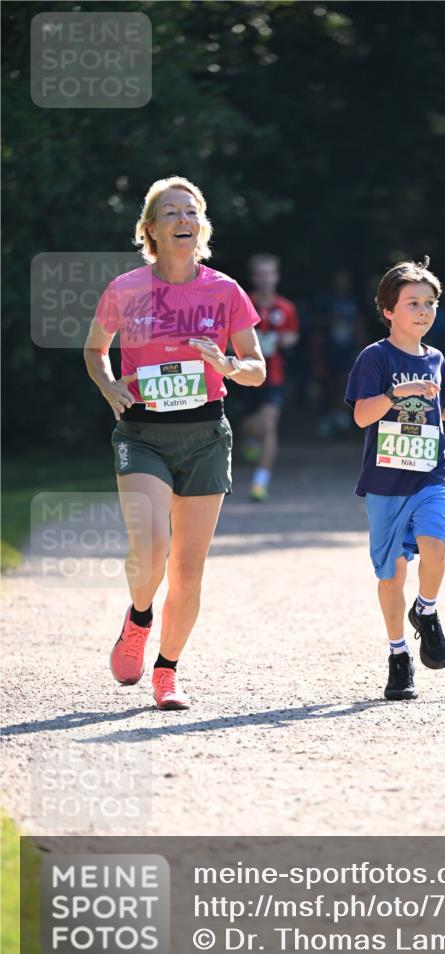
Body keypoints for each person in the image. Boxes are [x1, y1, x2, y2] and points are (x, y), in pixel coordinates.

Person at [83, 176, 265, 710]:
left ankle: (167, 672)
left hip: (206, 435)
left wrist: (227, 365)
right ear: (151, 229)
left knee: (188, 568)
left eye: (191, 211)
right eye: (171, 212)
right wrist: (109, 384)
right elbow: (95, 349)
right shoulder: (126, 288)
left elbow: (256, 368)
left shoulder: (225, 290)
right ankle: (139, 617)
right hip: (142, 434)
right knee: (151, 549)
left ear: (201, 226)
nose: (183, 219)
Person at [345, 257, 445, 701]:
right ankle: (399, 654)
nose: (424, 311)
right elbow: (362, 416)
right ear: (388, 310)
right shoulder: (375, 357)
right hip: (386, 482)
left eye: (430, 303)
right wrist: (396, 393)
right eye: (413, 303)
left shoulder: (436, 358)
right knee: (392, 573)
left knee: (435, 545)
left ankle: (426, 611)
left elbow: (442, 406)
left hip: (432, 473)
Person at [240, 254, 299, 501]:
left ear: (277, 277)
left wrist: (286, 340)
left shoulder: (286, 308)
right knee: (250, 426)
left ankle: (259, 483)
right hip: (245, 375)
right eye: (261, 274)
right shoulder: (242, 304)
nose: (266, 279)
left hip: (273, 376)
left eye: (270, 274)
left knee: (270, 422)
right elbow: (226, 341)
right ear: (254, 277)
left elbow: (293, 336)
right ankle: (250, 437)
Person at [313, 269, 365, 439]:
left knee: (346, 381)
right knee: (328, 383)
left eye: (345, 279)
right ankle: (327, 417)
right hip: (329, 349)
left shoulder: (354, 301)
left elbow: (360, 323)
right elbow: (318, 323)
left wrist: (360, 343)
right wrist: (332, 320)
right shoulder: (326, 301)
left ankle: (341, 416)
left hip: (348, 349)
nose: (342, 283)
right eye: (339, 279)